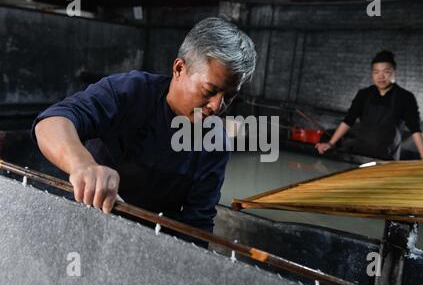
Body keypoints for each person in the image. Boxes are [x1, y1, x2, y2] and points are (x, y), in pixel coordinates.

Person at [32, 17, 257, 245]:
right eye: (210, 90)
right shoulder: (128, 92)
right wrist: (83, 165)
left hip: (145, 244)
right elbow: (51, 122)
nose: (217, 106)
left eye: (229, 96)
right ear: (179, 68)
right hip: (82, 224)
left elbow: (197, 225)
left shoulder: (214, 142)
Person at [315, 50, 423, 161]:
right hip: (359, 155)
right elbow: (348, 121)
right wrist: (330, 143)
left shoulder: (405, 97)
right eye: (376, 72)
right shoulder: (363, 94)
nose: (381, 76)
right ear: (372, 74)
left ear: (394, 72)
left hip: (387, 160)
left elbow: (416, 130)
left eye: (386, 71)